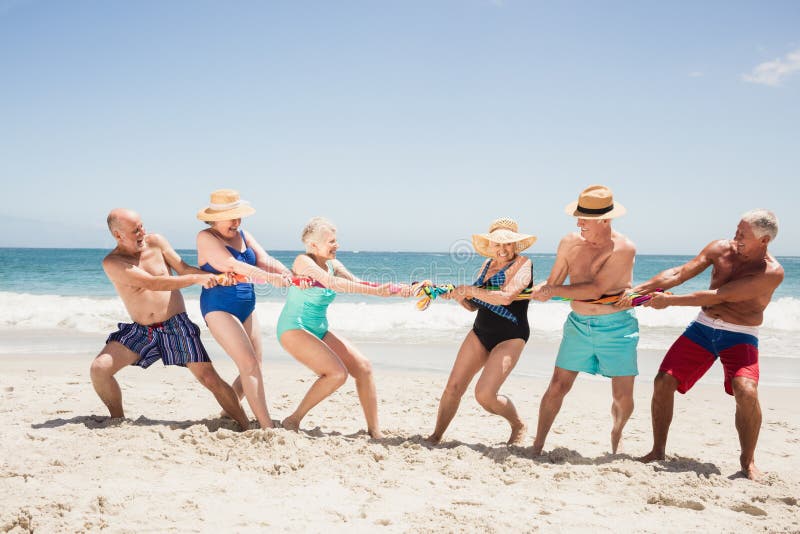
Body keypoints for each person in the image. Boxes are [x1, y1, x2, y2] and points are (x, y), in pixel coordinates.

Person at [630, 209, 783, 480]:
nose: (736, 237)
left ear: (765, 240)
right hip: (704, 328)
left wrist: (668, 302)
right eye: (737, 229)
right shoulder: (720, 248)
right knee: (663, 381)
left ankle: (748, 462)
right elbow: (679, 272)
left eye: (743, 235)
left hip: (740, 333)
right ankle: (657, 450)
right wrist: (638, 290)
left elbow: (720, 296)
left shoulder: (772, 272)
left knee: (746, 391)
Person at [91, 208, 249, 430]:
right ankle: (118, 419)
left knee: (209, 378)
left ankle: (244, 424)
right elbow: (154, 283)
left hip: (176, 326)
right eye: (136, 230)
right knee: (99, 369)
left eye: (142, 226)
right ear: (118, 235)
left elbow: (183, 268)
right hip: (142, 330)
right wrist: (196, 279)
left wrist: (214, 277)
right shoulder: (113, 263)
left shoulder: (155, 242)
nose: (142, 232)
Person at [277, 217, 413, 438]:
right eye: (331, 241)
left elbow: (356, 283)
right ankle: (293, 419)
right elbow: (331, 283)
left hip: (319, 329)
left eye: (336, 240)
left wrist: (395, 289)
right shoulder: (303, 261)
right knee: (337, 374)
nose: (336, 245)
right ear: (314, 245)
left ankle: (375, 432)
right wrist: (376, 292)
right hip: (294, 328)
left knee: (364, 368)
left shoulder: (333, 265)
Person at [530, 185, 638, 455]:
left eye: (585, 218)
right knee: (557, 385)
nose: (578, 223)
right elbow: (554, 281)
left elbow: (596, 289)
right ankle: (537, 445)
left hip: (617, 327)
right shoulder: (569, 242)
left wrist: (553, 291)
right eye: (578, 217)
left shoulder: (624, 248)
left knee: (622, 397)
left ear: (605, 219)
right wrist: (541, 289)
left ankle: (617, 432)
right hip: (578, 325)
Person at [426, 218, 536, 445]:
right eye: (498, 244)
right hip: (481, 332)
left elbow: (506, 297)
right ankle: (436, 436)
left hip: (511, 335)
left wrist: (470, 290)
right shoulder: (486, 266)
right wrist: (458, 297)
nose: (503, 249)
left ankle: (518, 424)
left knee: (485, 395)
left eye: (508, 244)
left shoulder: (524, 264)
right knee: (453, 387)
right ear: (491, 246)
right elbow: (474, 305)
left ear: (515, 245)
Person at [196, 189, 294, 430]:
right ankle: (266, 426)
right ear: (215, 218)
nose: (236, 222)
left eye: (238, 216)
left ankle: (228, 409)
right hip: (219, 307)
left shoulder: (243, 235)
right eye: (231, 216)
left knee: (255, 365)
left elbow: (265, 259)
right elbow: (232, 264)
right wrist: (270, 279)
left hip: (247, 305)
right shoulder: (205, 238)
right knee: (248, 364)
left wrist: (288, 273)